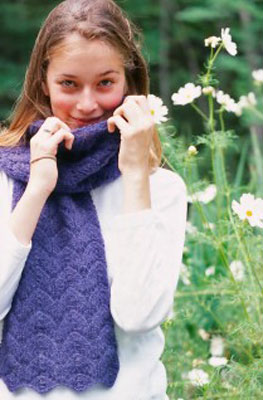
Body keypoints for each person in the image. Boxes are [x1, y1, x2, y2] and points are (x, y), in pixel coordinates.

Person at [0, 0, 187, 398]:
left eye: (105, 83)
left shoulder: (163, 190)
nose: (87, 105)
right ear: (43, 84)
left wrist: (136, 174)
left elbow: (138, 317)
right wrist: (36, 190)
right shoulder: (5, 177)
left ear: (129, 84)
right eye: (69, 84)